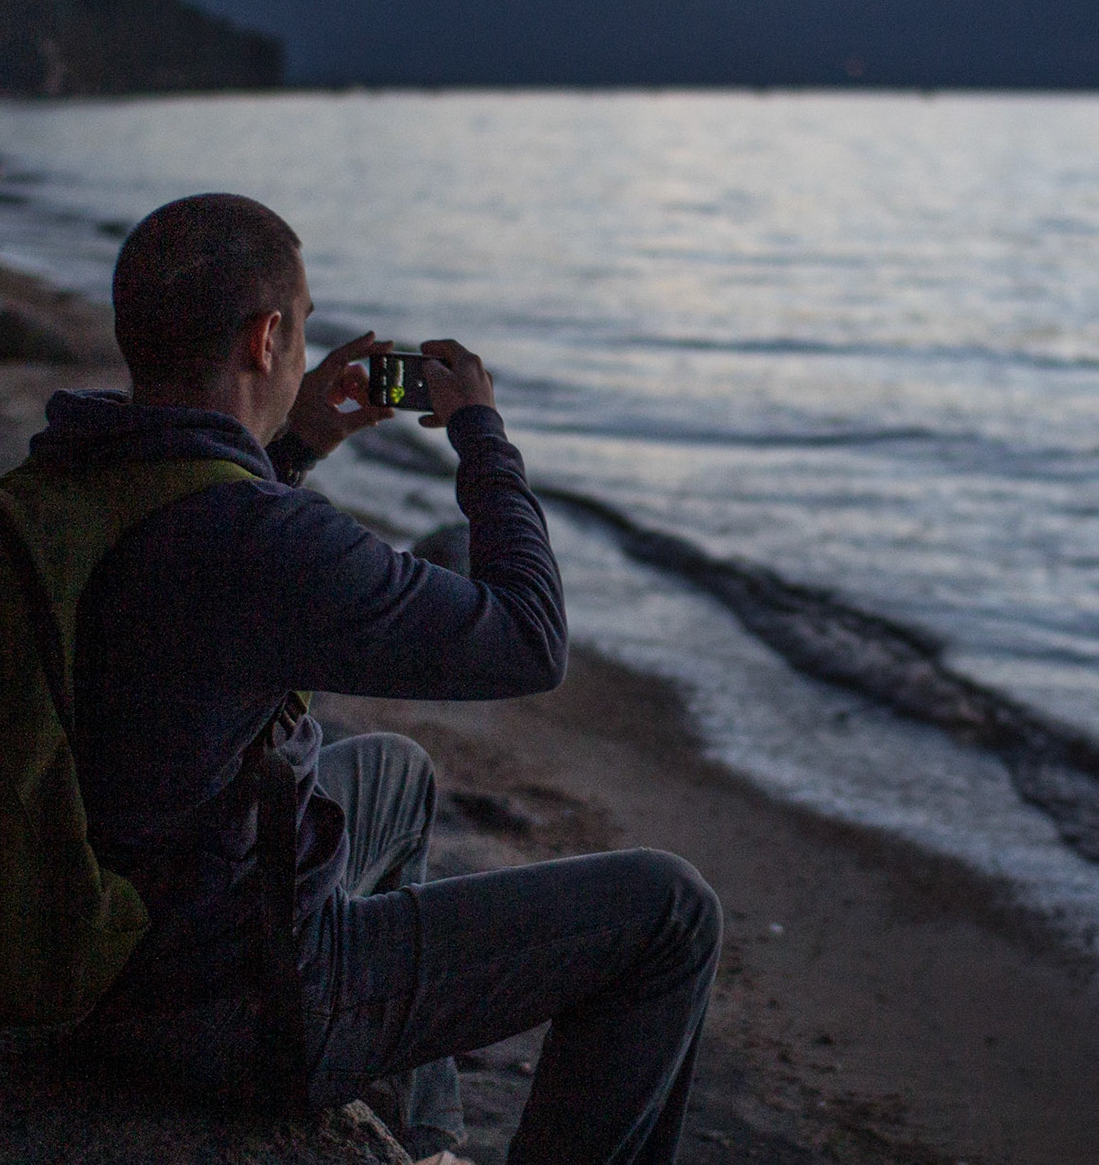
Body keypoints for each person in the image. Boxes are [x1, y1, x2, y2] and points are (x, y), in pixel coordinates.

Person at [44, 192, 721, 1164]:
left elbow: (196, 551)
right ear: (266, 336)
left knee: (395, 773)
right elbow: (530, 639)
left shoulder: (79, 471)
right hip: (226, 1005)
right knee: (671, 909)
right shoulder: (263, 541)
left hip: (103, 948)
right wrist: (482, 434)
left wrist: (301, 443)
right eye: (306, 324)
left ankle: (429, 1139)